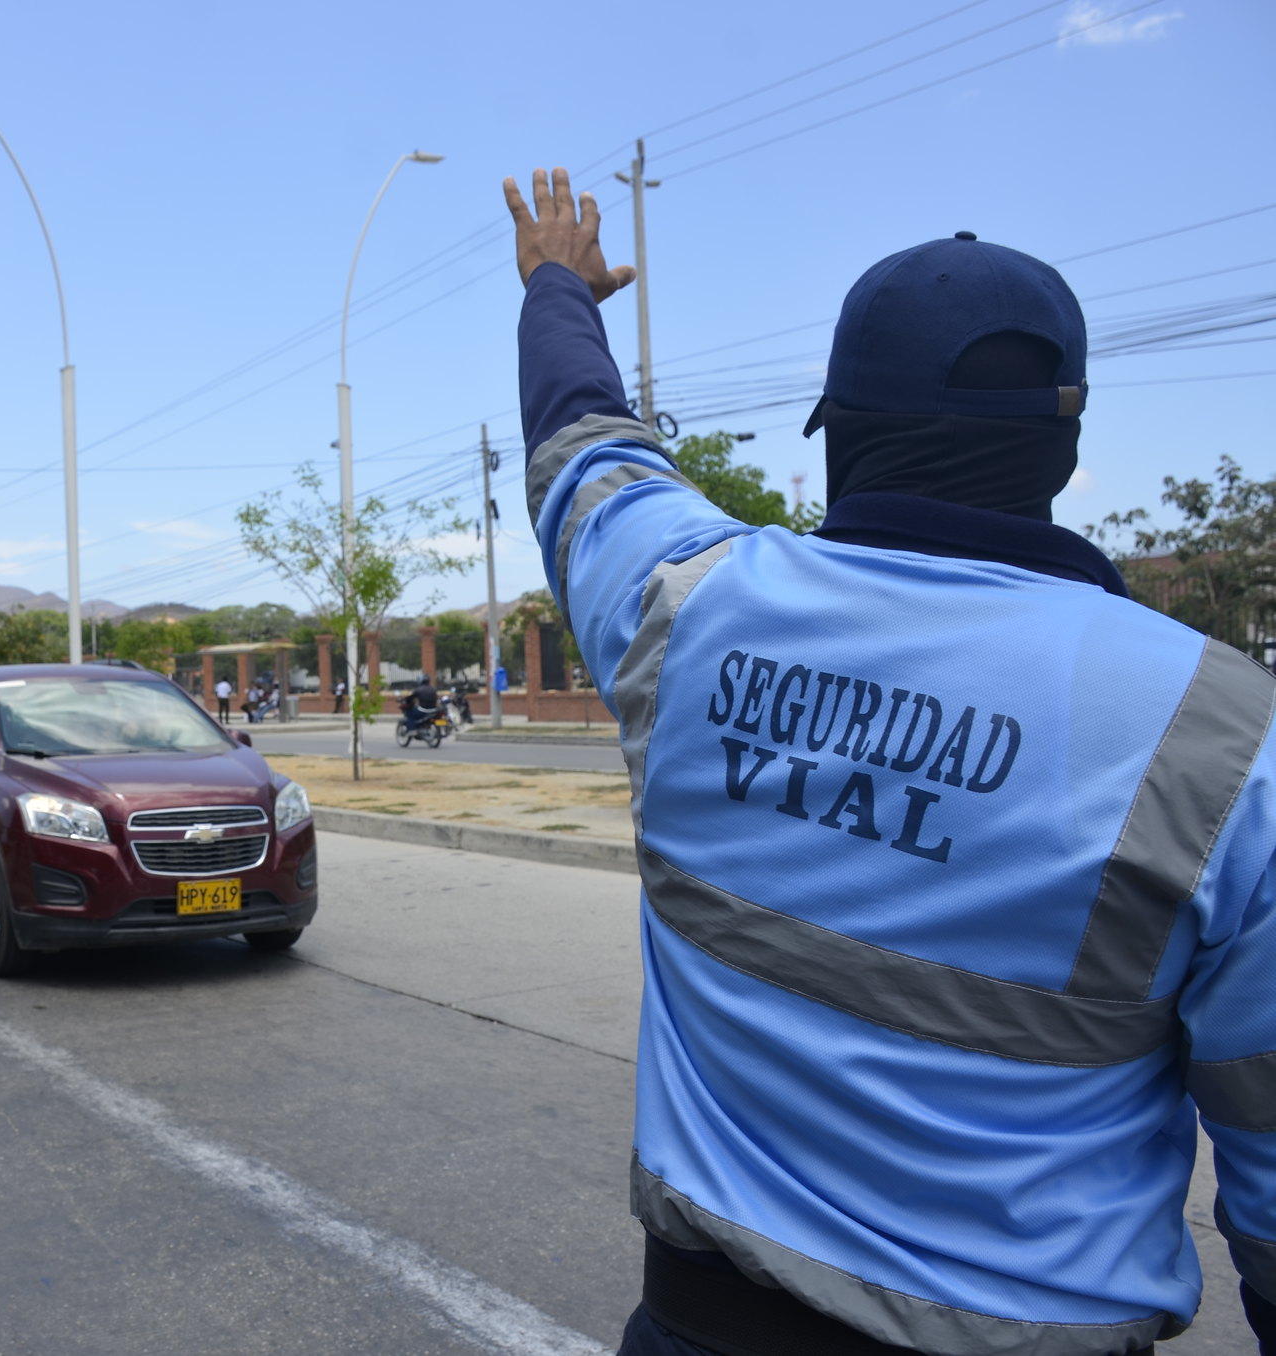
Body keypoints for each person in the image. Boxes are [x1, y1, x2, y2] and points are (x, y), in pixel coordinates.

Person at [504, 165, 1276, 1354]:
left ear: (839, 431)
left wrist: (556, 287)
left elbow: (583, 450)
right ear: (1063, 446)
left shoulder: (687, 612)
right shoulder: (1227, 740)